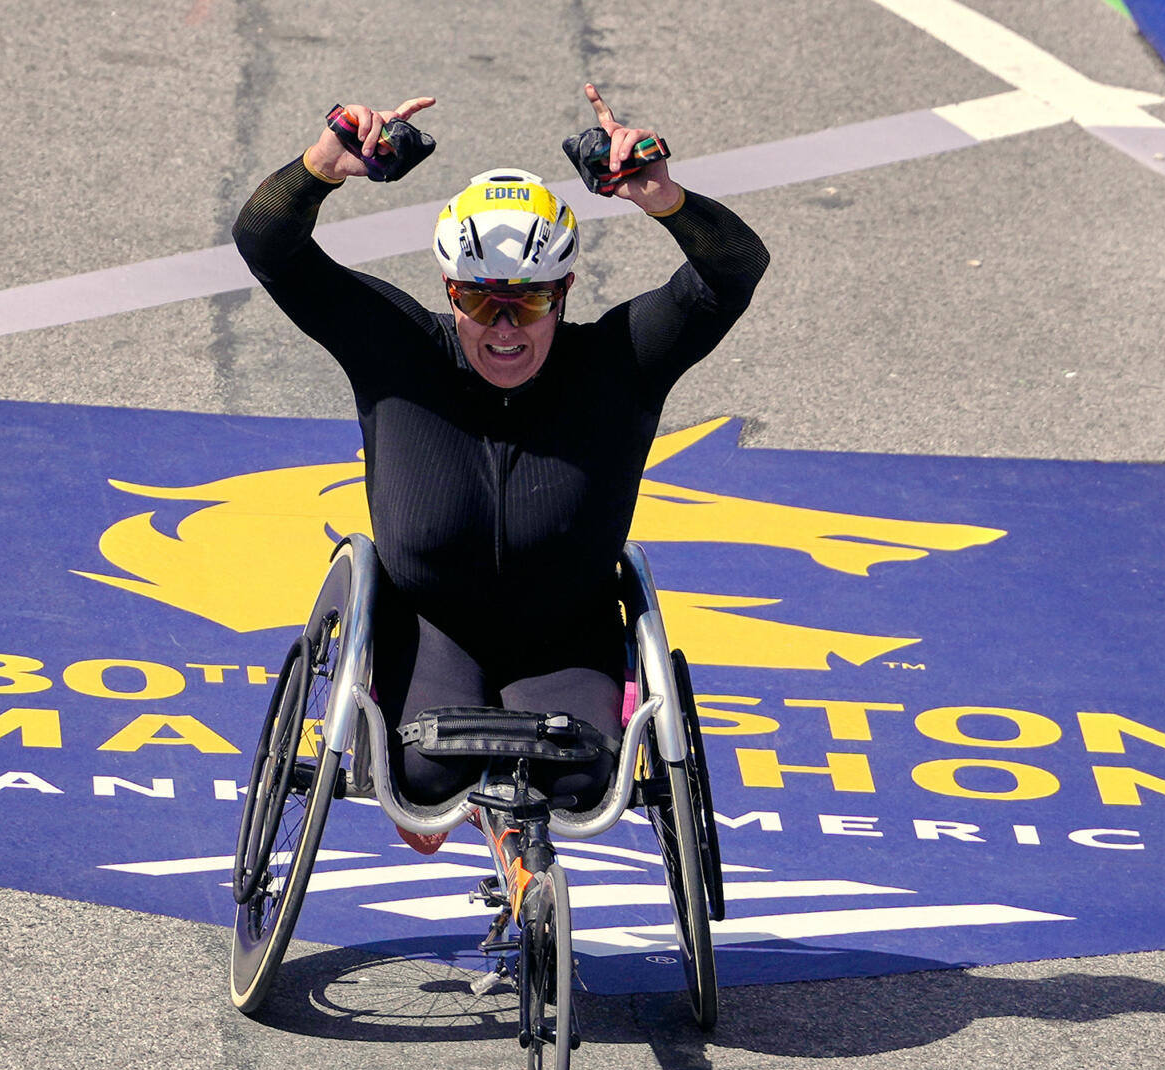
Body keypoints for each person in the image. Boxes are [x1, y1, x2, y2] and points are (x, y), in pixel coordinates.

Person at [233, 85, 768, 850]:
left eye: (530, 299)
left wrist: (662, 197)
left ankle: (518, 858)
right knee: (422, 779)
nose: (506, 326)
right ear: (450, 292)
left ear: (566, 290)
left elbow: (735, 270)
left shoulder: (621, 364)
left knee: (580, 787)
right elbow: (267, 243)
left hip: (566, 631)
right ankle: (480, 809)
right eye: (480, 302)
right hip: (430, 623)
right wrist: (323, 166)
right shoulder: (396, 349)